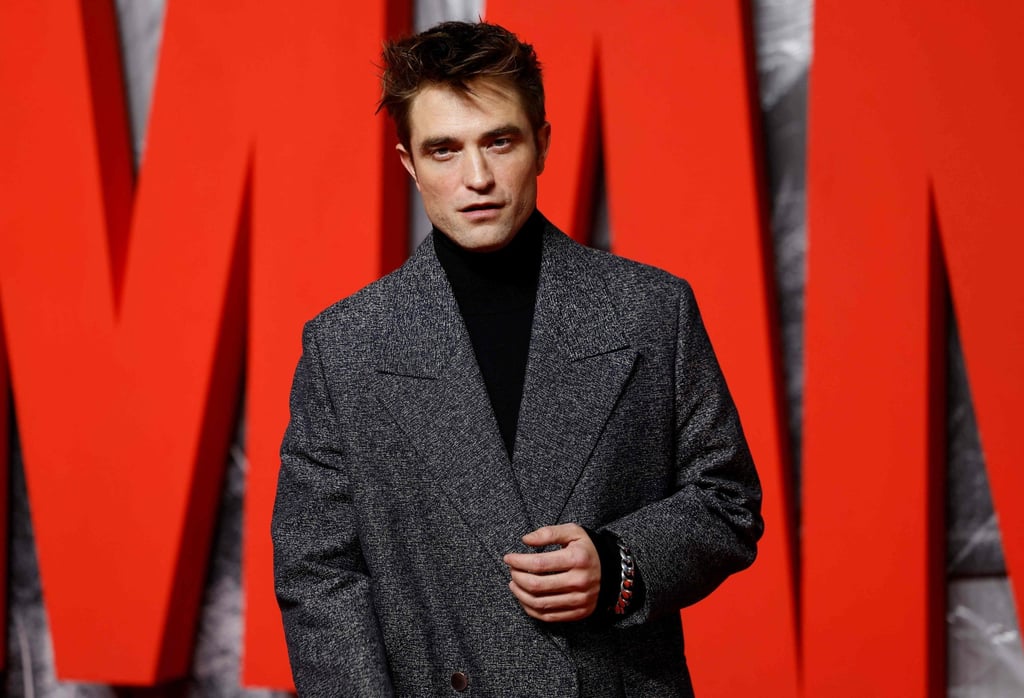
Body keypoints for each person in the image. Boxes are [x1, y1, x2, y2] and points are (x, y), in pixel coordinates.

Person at [272, 20, 763, 697]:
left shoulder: (651, 309)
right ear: (410, 163)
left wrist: (620, 564)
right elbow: (317, 571)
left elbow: (727, 500)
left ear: (541, 145)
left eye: (498, 141)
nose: (477, 178)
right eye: (444, 150)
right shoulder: (346, 344)